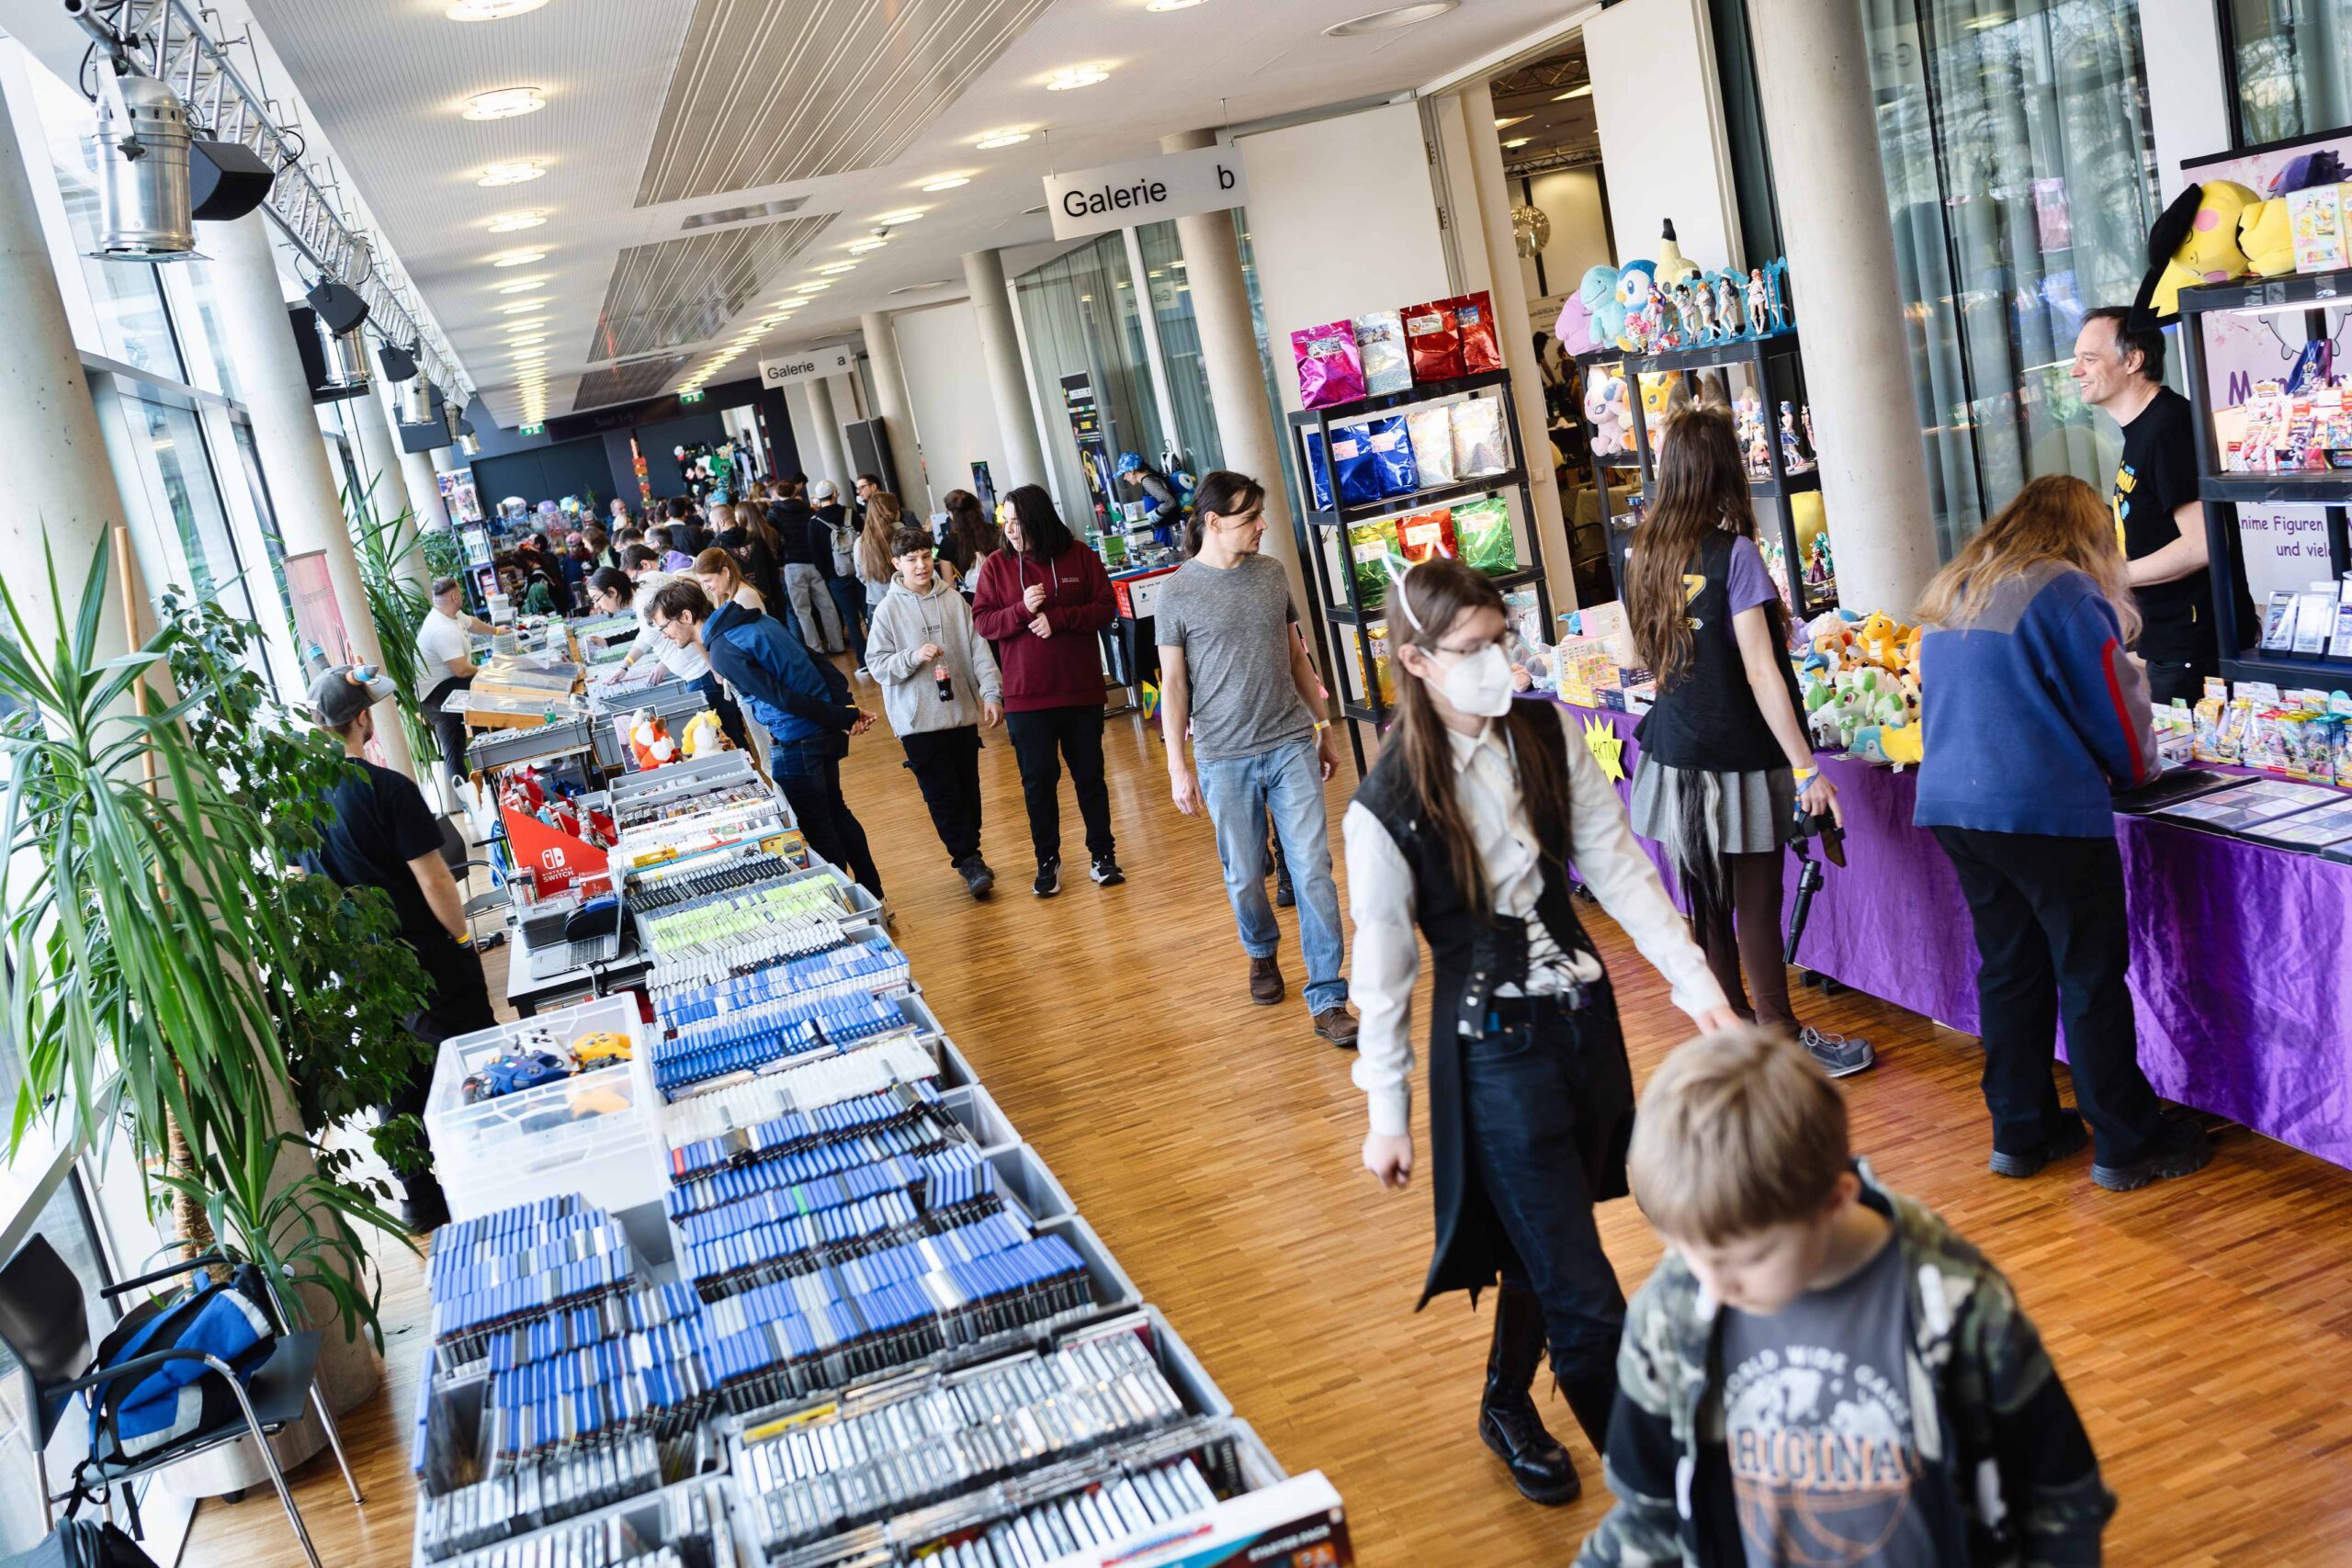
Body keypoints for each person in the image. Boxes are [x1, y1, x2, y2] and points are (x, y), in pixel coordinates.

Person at [1348, 557, 1736, 1508]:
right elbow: (1383, 976)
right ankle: (1669, 1507)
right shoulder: (1385, 805)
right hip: (1493, 1053)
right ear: (1417, 661)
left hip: (1586, 1030)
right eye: (1472, 649)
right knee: (1587, 1300)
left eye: (1502, 639)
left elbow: (1618, 867)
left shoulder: (1545, 731)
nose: (1499, 662)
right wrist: (1386, 1113)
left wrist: (1699, 989)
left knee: (1545, 1240)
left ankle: (1502, 1398)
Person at [1575, 1028, 2115, 1565]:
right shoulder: (1672, 1309)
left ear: (1836, 1201)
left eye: (1748, 1259)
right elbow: (1647, 1515)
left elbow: (2064, 1502)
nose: (1713, 1288)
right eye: (1688, 1252)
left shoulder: (1960, 1309)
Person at [1912, 474, 2213, 1191]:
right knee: (2088, 972)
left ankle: (2023, 1130)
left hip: (1953, 805)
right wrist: (2140, 770)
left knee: (2010, 967)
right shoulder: (2066, 589)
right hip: (2041, 807)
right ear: (2086, 533)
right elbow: (2116, 703)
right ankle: (2126, 1141)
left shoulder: (1959, 586)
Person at [1623, 406, 1872, 1077]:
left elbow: (1635, 656)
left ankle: (1731, 1039)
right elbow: (1763, 671)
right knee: (1756, 903)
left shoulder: (1642, 553)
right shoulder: (1732, 554)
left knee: (1707, 904)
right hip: (1737, 754)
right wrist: (1806, 767)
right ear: (1723, 472)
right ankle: (1781, 1040)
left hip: (1674, 756)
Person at [1158, 470, 1356, 1045]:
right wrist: (1177, 766)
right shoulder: (1177, 592)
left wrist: (1324, 727)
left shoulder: (1271, 575)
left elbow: (1296, 658)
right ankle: (1262, 950)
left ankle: (1328, 998)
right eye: (1250, 518)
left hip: (1290, 742)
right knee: (1245, 876)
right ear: (1213, 523)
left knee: (1313, 869)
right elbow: (1174, 684)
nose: (1263, 526)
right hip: (1223, 756)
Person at [302, 665, 495, 1231]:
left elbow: (300, 887)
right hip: (423, 956)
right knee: (470, 1055)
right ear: (362, 719)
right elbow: (434, 880)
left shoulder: (298, 800)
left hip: (358, 969)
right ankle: (491, 1166)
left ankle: (421, 1199)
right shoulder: (388, 790)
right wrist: (460, 938)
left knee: (395, 1077)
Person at [648, 579, 885, 897]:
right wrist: (845, 709)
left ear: (686, 617)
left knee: (817, 827)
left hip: (798, 737)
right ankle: (874, 894)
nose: (664, 634)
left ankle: (849, 904)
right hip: (820, 728)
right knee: (837, 812)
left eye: (664, 626)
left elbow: (782, 699)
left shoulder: (723, 650)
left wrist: (844, 716)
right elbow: (816, 660)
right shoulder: (757, 620)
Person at [2072, 306, 2254, 706]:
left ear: (2133, 360)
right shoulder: (2145, 427)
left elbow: (2202, 545)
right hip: (2169, 642)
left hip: (2194, 647)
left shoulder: (2168, 427)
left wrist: (2108, 576)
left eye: (2089, 358)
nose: (2075, 371)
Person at [972, 484, 1122, 896]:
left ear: (1038, 519)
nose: (1010, 530)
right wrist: (1022, 609)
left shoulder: (1080, 555)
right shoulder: (997, 566)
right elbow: (983, 622)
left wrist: (1060, 618)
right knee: (1038, 783)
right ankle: (1048, 861)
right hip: (1026, 697)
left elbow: (1105, 607)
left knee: (1090, 778)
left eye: (1017, 522)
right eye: (1006, 522)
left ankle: (1102, 855)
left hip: (1080, 692)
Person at [865, 523, 1004, 897]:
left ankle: (971, 853)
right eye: (911, 559)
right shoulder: (887, 611)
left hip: (960, 713)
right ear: (897, 563)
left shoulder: (954, 600)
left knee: (968, 793)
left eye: (926, 557)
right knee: (942, 796)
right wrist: (913, 656)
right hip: (918, 722)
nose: (921, 566)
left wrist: (992, 694)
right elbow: (878, 665)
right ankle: (968, 859)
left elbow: (979, 650)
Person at [587, 564, 751, 754]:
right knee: (727, 731)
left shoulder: (644, 602)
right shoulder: (648, 581)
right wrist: (626, 664)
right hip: (701, 669)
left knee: (723, 737)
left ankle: (750, 765)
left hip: (701, 672)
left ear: (612, 591)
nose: (597, 606)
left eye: (596, 599)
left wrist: (714, 668)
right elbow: (647, 633)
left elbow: (688, 628)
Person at [414, 577, 492, 786]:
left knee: (466, 730)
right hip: (435, 694)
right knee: (454, 744)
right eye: (461, 593)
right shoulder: (441, 629)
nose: (463, 596)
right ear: (455, 597)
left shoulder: (451, 614)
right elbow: (461, 670)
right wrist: (485, 670)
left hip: (448, 683)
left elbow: (472, 623)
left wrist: (495, 631)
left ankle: (486, 755)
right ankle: (472, 786)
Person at [769, 479, 846, 653]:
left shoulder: (774, 513)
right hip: (813, 562)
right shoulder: (807, 509)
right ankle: (837, 645)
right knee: (827, 606)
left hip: (792, 564)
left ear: (777, 494)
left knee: (803, 611)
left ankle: (816, 649)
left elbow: (772, 538)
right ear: (794, 492)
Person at [812, 479, 868, 667]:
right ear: (835, 494)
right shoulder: (850, 514)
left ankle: (863, 662)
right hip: (861, 573)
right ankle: (880, 656)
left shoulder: (814, 523)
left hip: (837, 578)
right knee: (870, 615)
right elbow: (866, 539)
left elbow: (817, 557)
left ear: (818, 498)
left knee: (851, 620)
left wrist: (829, 577)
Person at [856, 491, 905, 624]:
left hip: (876, 603)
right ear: (895, 510)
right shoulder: (905, 534)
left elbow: (861, 575)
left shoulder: (860, 542)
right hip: (906, 599)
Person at [938, 488, 1000, 588]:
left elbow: (949, 584)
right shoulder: (994, 531)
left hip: (972, 596)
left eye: (948, 512)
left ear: (953, 514)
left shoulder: (947, 543)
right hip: (1001, 589)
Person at [1115, 451, 1182, 536]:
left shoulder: (1147, 481)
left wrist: (1149, 519)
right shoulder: (1151, 477)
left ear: (1132, 471)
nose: (1124, 478)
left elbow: (1169, 502)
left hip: (1165, 531)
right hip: (1165, 529)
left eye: (1124, 474)